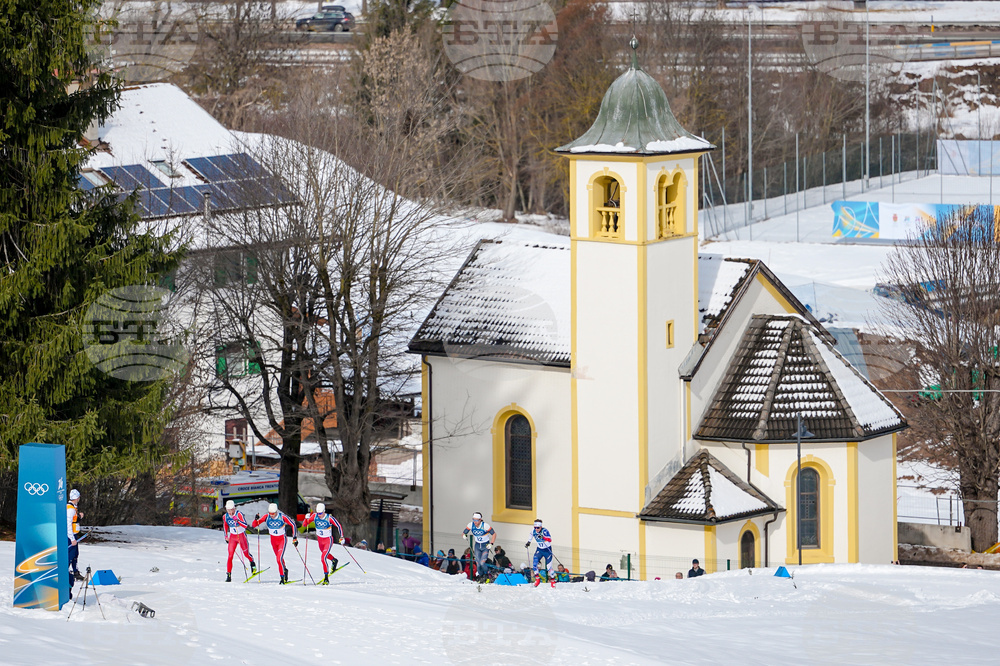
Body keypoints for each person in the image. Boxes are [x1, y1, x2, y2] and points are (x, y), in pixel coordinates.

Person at [251, 504, 298, 584]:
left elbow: (293, 524)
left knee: (278, 559)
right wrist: (256, 519)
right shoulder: (266, 517)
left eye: (273, 513)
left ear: (276, 512)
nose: (271, 515)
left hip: (282, 540)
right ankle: (285, 570)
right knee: (279, 559)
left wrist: (295, 538)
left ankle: (282, 578)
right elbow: (254, 525)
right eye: (270, 513)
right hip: (273, 541)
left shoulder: (282, 517)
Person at [299, 503, 344, 585]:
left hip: (328, 540)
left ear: (324, 511)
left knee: (323, 558)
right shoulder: (315, 516)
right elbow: (305, 525)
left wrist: (341, 537)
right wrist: (306, 518)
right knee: (324, 554)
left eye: (320, 513)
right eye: (318, 513)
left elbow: (339, 526)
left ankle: (326, 579)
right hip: (320, 540)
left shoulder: (329, 518)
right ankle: (334, 560)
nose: (319, 515)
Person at [222, 500, 256, 582]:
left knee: (246, 554)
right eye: (228, 510)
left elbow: (245, 525)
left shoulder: (239, 514)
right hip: (233, 537)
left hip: (241, 536)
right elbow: (225, 525)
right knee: (230, 555)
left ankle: (252, 563)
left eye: (231, 510)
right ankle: (228, 575)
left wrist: (238, 521)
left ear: (234, 508)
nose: (230, 512)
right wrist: (226, 536)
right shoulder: (225, 516)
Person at [462, 512, 497, 580]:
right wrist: (464, 535)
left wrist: (491, 543)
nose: (475, 522)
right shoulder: (471, 525)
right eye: (473, 519)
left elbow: (494, 534)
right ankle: (482, 577)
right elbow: (464, 533)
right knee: (478, 564)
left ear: (480, 520)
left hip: (485, 546)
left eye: (476, 520)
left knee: (482, 563)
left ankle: (488, 575)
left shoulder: (485, 525)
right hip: (477, 546)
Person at [525, 518, 556, 587]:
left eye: (538, 528)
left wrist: (543, 537)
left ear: (541, 527)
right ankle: (537, 579)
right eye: (535, 527)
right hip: (539, 550)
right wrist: (529, 542)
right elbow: (531, 535)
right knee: (534, 565)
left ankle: (553, 580)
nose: (536, 529)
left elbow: (550, 539)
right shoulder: (533, 531)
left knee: (549, 568)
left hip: (547, 550)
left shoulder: (544, 531)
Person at [66, 489, 84, 582]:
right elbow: (68, 524)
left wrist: (79, 517)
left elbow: (74, 520)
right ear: (77, 498)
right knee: (70, 554)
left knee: (75, 554)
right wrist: (72, 538)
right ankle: (65, 572)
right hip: (70, 536)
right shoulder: (70, 509)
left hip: (74, 535)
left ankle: (75, 572)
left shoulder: (73, 508)